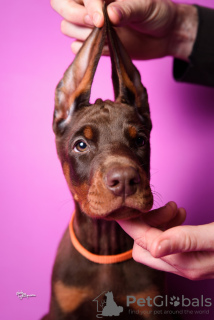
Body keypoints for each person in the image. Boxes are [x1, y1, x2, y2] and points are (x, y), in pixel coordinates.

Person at [50, 0, 214, 280]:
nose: (123, 173)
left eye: (137, 140)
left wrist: (180, 26)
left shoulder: (152, 268)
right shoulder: (67, 272)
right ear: (61, 120)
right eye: (81, 144)